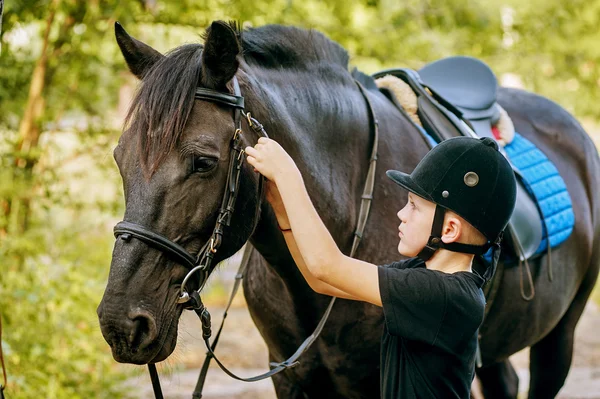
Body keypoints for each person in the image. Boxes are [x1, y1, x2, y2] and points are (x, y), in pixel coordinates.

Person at [245, 136, 517, 399]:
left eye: (414, 206)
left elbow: (327, 265)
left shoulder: (444, 296)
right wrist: (281, 207)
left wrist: (288, 175)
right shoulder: (421, 272)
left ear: (449, 229)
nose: (401, 214)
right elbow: (322, 280)